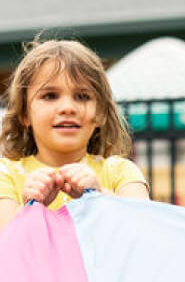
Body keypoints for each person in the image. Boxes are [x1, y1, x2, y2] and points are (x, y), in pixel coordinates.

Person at [0, 38, 149, 233]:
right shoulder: (6, 174)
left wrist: (99, 196)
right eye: (50, 96)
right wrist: (29, 207)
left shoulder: (121, 173)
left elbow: (146, 229)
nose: (68, 108)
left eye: (82, 96)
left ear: (100, 114)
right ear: (24, 113)